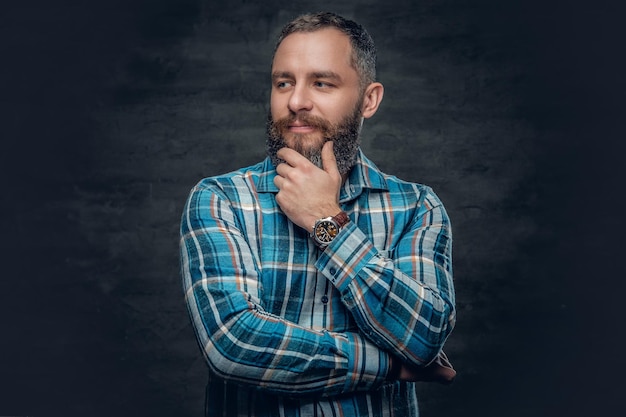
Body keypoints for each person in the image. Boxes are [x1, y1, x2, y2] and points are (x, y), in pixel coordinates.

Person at [180, 11, 456, 417]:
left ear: (369, 99)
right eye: (283, 83)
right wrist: (392, 364)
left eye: (322, 83)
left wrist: (328, 222)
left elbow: (425, 334)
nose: (296, 102)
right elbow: (234, 343)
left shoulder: (416, 206)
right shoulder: (220, 200)